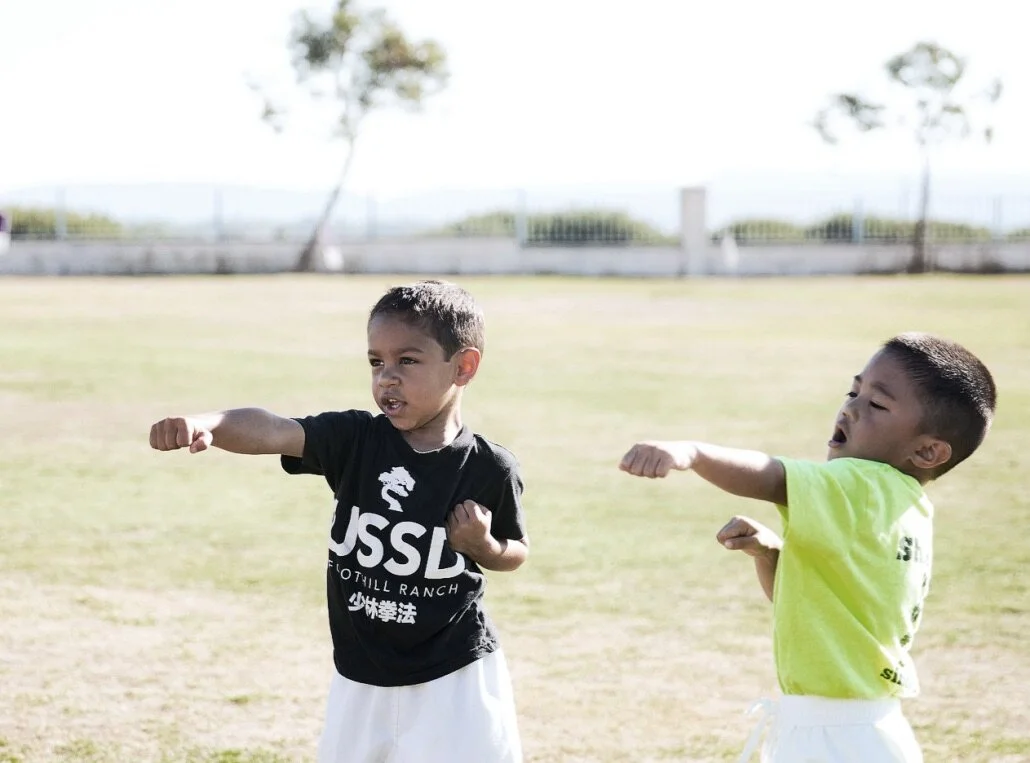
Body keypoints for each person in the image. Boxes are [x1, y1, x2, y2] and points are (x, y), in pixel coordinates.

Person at [149, 280, 529, 763]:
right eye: (376, 362)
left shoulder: (488, 467)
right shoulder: (354, 439)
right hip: (360, 672)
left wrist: (483, 546)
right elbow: (273, 429)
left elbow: (515, 550)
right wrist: (211, 423)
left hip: (453, 675)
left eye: (407, 361)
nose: (387, 377)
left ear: (464, 366)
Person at [618, 332, 997, 763]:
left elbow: (772, 477)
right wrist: (771, 556)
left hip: (835, 737)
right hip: (858, 728)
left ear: (927, 451)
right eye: (854, 391)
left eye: (877, 404)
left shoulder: (863, 485)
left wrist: (693, 453)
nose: (851, 407)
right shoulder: (898, 504)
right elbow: (805, 606)